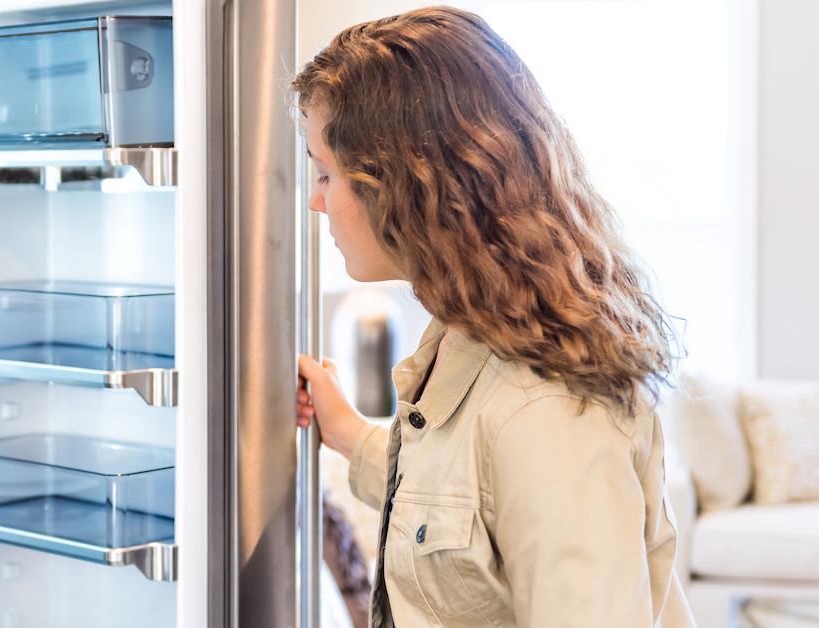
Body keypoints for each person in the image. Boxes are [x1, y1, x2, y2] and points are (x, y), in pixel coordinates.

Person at [292, 6, 694, 627]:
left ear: (403, 182)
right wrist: (344, 429)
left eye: (325, 173)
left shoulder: (548, 407)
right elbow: (458, 510)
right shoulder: (468, 333)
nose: (316, 201)